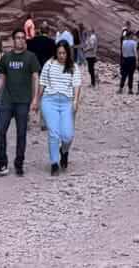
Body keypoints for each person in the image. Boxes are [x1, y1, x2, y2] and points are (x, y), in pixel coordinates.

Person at [0, 28, 41, 177]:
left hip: (23, 101)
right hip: (7, 100)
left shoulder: (31, 57)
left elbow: (35, 77)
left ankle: (19, 163)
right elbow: (1, 78)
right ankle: (2, 162)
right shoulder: (6, 57)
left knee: (21, 134)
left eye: (23, 38)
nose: (20, 40)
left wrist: (35, 99)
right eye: (18, 38)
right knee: (1, 130)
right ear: (13, 40)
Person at [39, 39, 82, 176]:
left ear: (68, 53)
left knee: (67, 135)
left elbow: (76, 85)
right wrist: (36, 100)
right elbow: (42, 82)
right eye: (59, 53)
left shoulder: (73, 67)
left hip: (66, 102)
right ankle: (54, 163)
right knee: (53, 132)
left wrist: (75, 101)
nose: (62, 56)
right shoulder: (49, 64)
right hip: (49, 100)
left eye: (64, 53)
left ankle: (64, 151)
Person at [118, 28, 138, 94]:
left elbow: (123, 52)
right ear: (130, 35)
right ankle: (130, 90)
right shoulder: (134, 43)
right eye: (132, 35)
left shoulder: (124, 42)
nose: (133, 36)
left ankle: (120, 88)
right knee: (131, 75)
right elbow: (135, 52)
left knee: (124, 75)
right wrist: (137, 61)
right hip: (132, 59)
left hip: (125, 59)